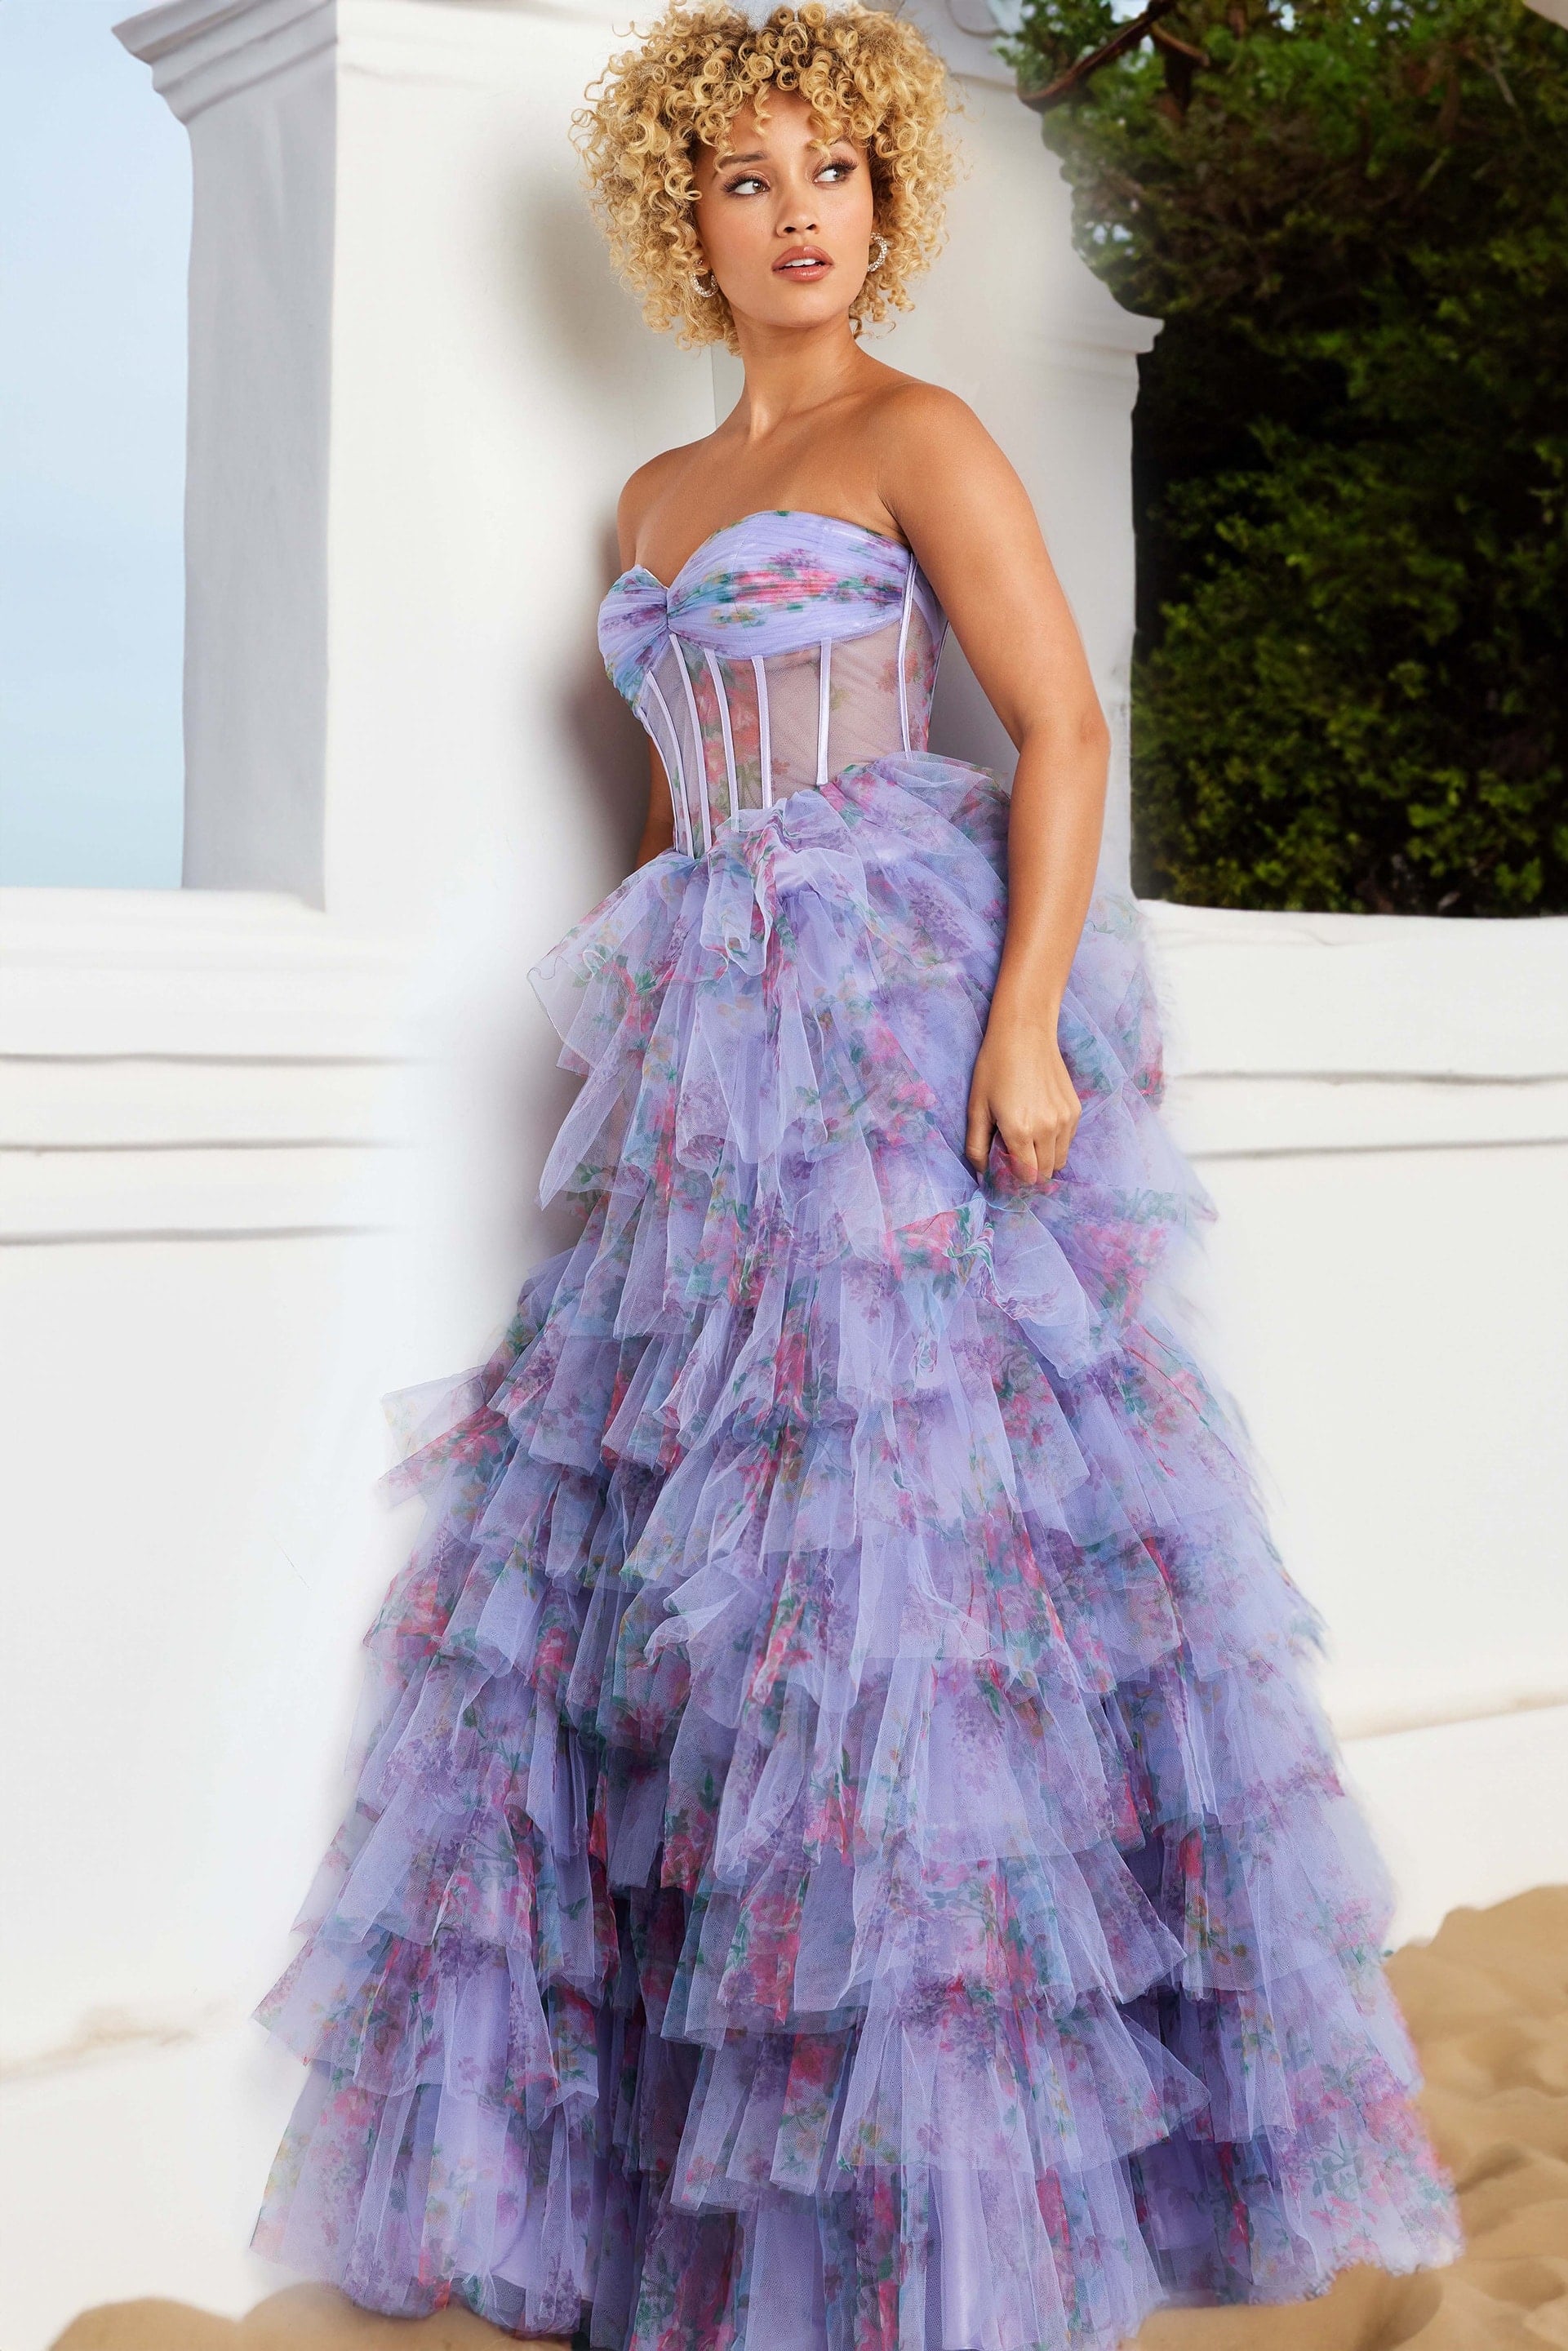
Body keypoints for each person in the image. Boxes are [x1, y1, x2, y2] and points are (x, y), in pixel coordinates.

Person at [251, 7, 1460, 2344]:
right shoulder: (652, 501)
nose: (796, 213)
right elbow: (662, 823)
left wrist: (1023, 1023)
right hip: (711, 1049)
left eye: (831, 172)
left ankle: (969, 2183)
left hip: (894, 1018)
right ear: (685, 224)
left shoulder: (922, 434)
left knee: (906, 1550)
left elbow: (1062, 726)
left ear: (883, 198)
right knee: (716, 1563)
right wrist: (644, 1037)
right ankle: (745, 2168)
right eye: (746, 180)